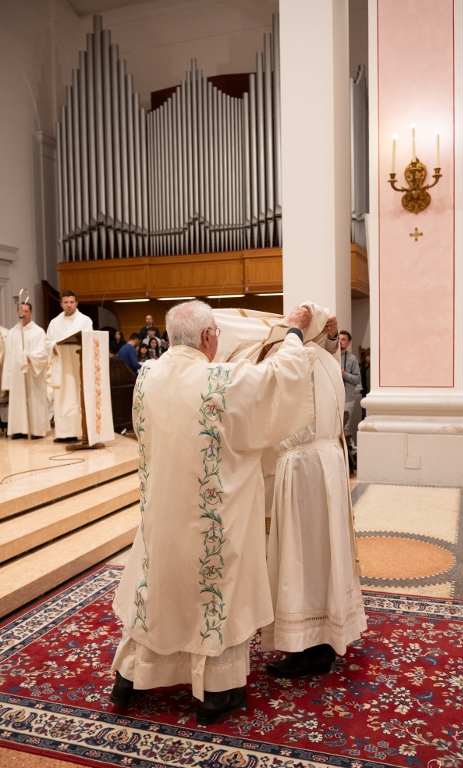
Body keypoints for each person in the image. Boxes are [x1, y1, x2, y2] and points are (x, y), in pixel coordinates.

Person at [110, 300, 317, 726]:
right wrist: (295, 333)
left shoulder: (147, 376)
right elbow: (280, 380)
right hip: (212, 519)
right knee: (215, 592)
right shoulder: (219, 380)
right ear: (208, 337)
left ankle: (131, 677)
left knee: (156, 590)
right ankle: (218, 691)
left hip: (162, 512)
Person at [213, 307, 366, 678]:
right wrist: (329, 337)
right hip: (327, 464)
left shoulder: (295, 361)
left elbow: (257, 388)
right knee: (323, 552)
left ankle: (306, 644)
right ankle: (326, 633)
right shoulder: (324, 360)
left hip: (302, 471)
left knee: (301, 555)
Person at [46, 290, 93, 443]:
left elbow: (89, 339)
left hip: (77, 365)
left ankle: (79, 432)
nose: (69, 305)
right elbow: (47, 341)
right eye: (66, 302)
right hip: (61, 366)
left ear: (76, 303)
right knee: (61, 396)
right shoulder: (54, 323)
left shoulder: (85, 321)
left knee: (77, 395)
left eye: (71, 302)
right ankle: (63, 433)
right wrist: (52, 345)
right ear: (61, 304)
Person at [1, 303, 50, 440]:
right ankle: (19, 429)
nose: (23, 314)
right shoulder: (12, 333)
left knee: (34, 400)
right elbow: (8, 355)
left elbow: (43, 350)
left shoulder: (38, 331)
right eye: (21, 311)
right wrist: (7, 377)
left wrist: (32, 358)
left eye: (26, 311)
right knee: (18, 400)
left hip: (33, 372)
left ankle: (36, 430)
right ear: (17, 313)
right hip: (17, 374)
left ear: (31, 313)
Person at [339, 329, 361, 432]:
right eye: (339, 339)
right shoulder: (330, 356)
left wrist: (344, 374)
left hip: (347, 398)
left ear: (348, 343)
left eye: (343, 339)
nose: (340, 341)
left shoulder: (352, 358)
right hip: (333, 397)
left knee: (344, 427)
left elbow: (357, 379)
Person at [360, 348, 370, 420]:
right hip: (362, 391)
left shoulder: (373, 367)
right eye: (367, 355)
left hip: (368, 391)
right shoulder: (362, 366)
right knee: (362, 412)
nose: (368, 358)